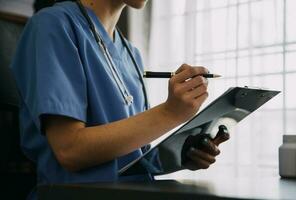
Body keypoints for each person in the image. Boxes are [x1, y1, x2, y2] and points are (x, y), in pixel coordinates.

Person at [11, 0, 229, 199]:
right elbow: (70, 150)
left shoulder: (131, 53)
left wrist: (183, 154)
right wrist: (170, 113)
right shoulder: (51, 25)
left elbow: (135, 159)